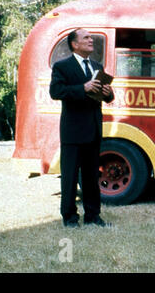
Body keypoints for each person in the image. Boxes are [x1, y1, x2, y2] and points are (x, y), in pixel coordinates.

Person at [50, 28, 114, 228]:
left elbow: (107, 98)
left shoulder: (97, 65)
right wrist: (82, 88)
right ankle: (69, 218)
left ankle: (93, 216)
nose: (91, 40)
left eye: (90, 37)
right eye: (86, 37)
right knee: (69, 178)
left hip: (93, 130)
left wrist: (108, 92)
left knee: (91, 176)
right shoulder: (62, 67)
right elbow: (56, 91)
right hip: (73, 132)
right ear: (74, 44)